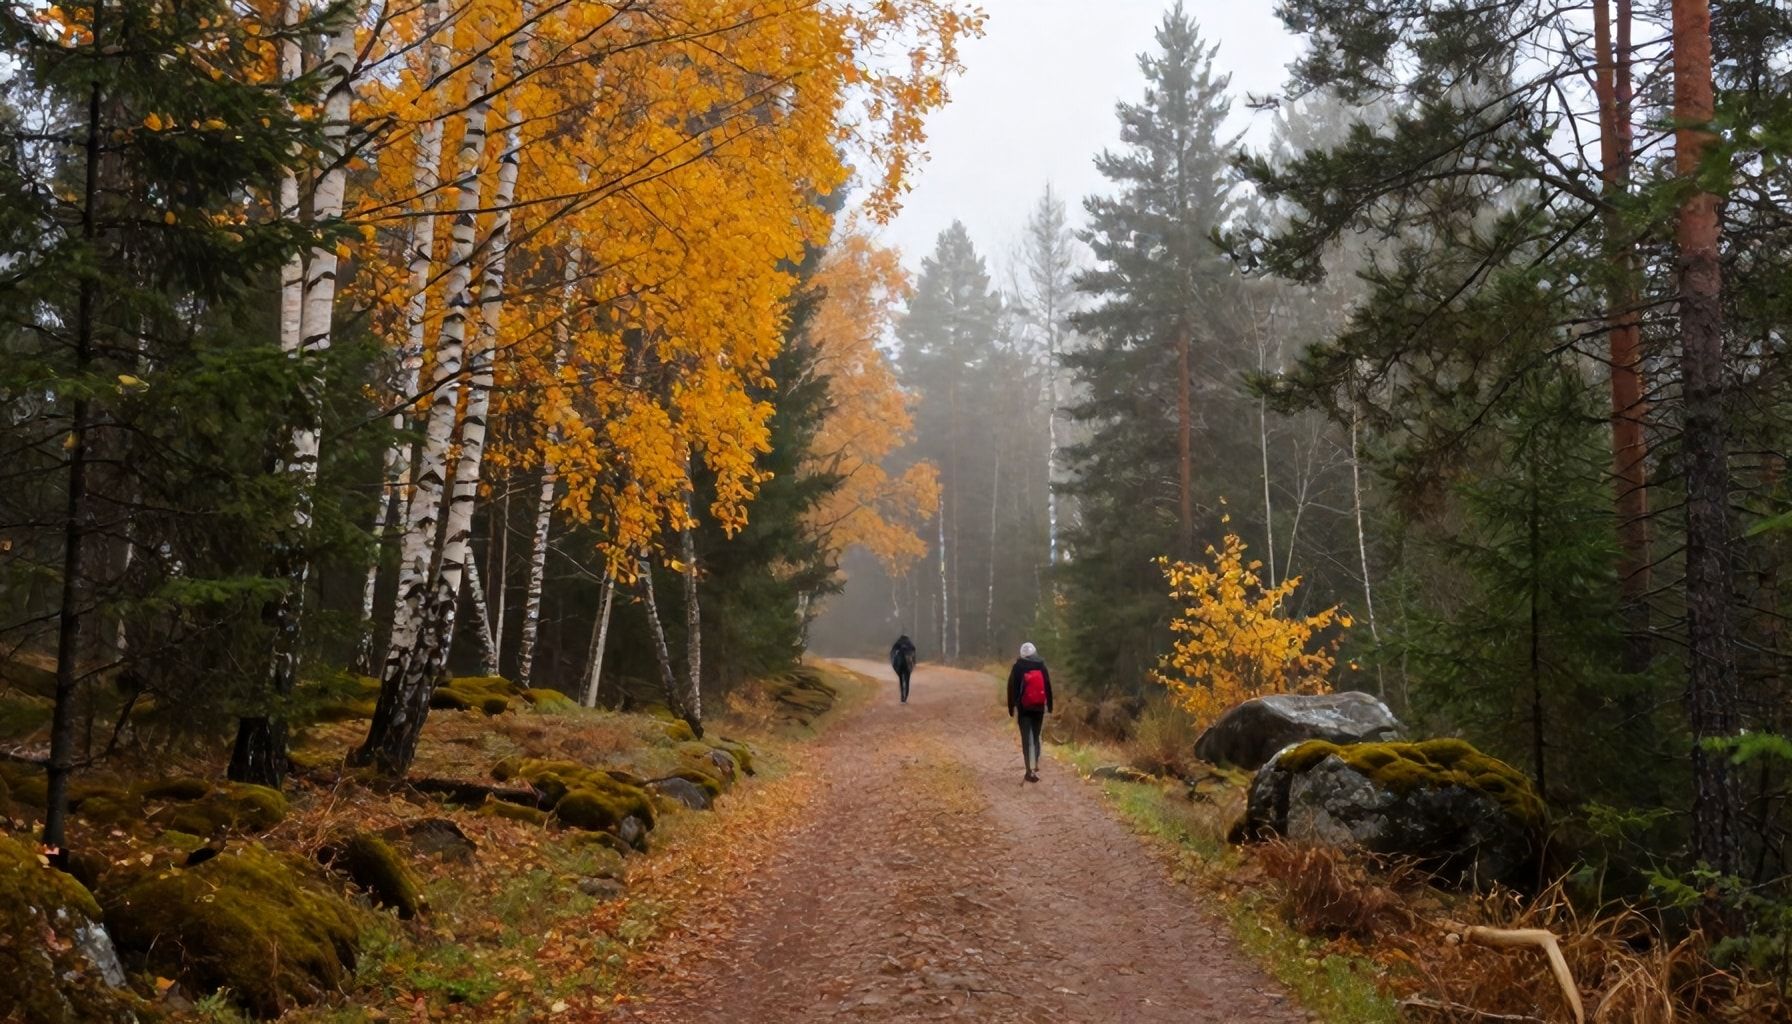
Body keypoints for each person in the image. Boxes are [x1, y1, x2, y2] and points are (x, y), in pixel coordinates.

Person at [1006, 642, 1053, 782]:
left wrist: (1011, 708)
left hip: (1024, 709)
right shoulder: (1041, 665)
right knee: (1036, 736)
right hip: (1038, 708)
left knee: (1027, 739)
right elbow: (1048, 686)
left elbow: (1011, 688)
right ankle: (1035, 764)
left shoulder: (1018, 667)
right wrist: (1049, 705)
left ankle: (1029, 770)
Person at [889, 634, 917, 704]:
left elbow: (892, 651)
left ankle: (902, 698)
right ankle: (905, 698)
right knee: (907, 681)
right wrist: (913, 661)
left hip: (900, 666)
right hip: (907, 666)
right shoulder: (909, 642)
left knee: (901, 681)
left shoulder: (899, 642)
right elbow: (914, 649)